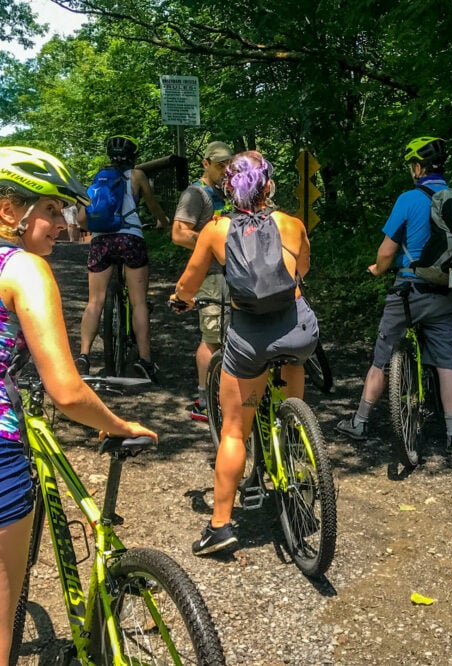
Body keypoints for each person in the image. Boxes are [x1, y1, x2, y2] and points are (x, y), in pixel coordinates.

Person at [0, 146, 157, 662]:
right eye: (50, 210)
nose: (63, 226)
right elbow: (66, 391)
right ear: (9, 211)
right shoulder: (22, 268)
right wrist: (115, 422)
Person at [170, 150, 317, 556]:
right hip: (296, 329)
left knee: (234, 430)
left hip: (251, 339)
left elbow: (189, 283)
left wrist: (180, 299)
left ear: (227, 189)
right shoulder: (292, 223)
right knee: (293, 407)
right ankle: (297, 456)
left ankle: (220, 527)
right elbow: (302, 268)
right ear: (268, 186)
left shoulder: (215, 230)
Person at [334, 137, 452, 453]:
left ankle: (361, 420)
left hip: (409, 290)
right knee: (447, 361)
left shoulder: (409, 199)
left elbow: (386, 252)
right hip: (446, 291)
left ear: (418, 168)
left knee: (382, 356)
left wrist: (377, 270)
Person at [75, 135, 169, 381]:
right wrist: (163, 222)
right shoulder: (137, 176)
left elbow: (81, 220)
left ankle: (84, 356)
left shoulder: (99, 179)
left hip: (101, 241)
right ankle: (145, 361)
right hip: (130, 239)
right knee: (138, 302)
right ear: (133, 156)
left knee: (95, 301)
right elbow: (152, 205)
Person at [171, 141, 234, 421]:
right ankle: (204, 401)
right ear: (205, 164)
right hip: (210, 276)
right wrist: (211, 244)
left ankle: (225, 395)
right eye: (219, 164)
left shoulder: (229, 191)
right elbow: (179, 233)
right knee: (212, 339)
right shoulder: (195, 194)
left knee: (229, 336)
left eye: (228, 164)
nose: (225, 169)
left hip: (231, 274)